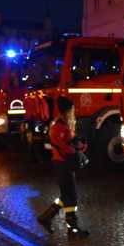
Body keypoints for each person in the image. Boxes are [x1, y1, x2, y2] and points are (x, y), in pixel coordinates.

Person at [37, 96, 90, 237]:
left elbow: (69, 144)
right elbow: (66, 147)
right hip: (63, 164)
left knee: (67, 195)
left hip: (64, 163)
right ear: (68, 110)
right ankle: (72, 229)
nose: (74, 111)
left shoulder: (62, 124)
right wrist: (78, 148)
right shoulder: (60, 127)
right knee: (70, 196)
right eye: (72, 109)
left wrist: (79, 145)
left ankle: (46, 218)